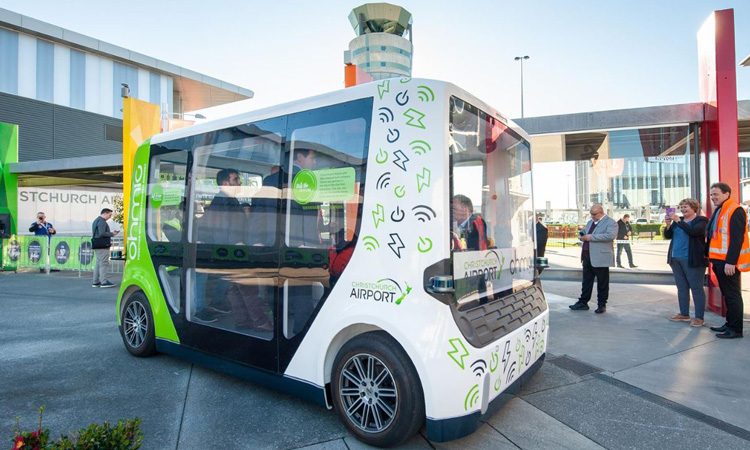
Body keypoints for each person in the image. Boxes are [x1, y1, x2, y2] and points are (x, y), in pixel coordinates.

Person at [706, 182, 747, 339]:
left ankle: (736, 329)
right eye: (711, 195)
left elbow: (737, 239)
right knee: (727, 294)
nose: (713, 197)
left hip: (728, 262)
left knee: (732, 295)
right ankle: (729, 324)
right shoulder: (721, 210)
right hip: (718, 260)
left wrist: (731, 262)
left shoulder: (735, 210)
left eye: (716, 194)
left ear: (727, 194)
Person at [663, 198, 708, 327]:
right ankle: (684, 314)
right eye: (681, 207)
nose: (683, 209)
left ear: (694, 208)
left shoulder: (701, 221)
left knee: (696, 288)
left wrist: (677, 220)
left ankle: (699, 317)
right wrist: (668, 225)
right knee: (681, 288)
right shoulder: (679, 222)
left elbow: (693, 232)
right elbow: (668, 235)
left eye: (685, 207)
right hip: (676, 259)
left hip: (692, 260)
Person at [569, 204, 617, 314]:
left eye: (594, 214)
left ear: (601, 212)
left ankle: (601, 304)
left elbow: (610, 236)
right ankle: (583, 302)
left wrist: (591, 237)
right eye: (591, 214)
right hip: (587, 256)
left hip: (600, 257)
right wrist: (581, 235)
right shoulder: (590, 222)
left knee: (602, 282)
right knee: (586, 281)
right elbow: (585, 232)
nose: (592, 216)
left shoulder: (611, 222)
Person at [91, 208, 119, 288]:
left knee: (98, 263)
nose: (110, 217)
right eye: (109, 215)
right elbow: (101, 233)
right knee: (104, 263)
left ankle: (95, 281)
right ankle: (104, 281)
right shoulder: (102, 222)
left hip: (97, 244)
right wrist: (112, 234)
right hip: (102, 245)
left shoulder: (96, 220)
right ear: (105, 213)